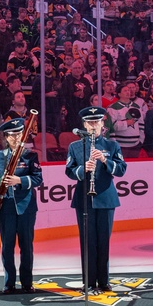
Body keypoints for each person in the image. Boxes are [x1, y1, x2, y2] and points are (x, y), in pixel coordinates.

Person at [64, 106, 127, 295]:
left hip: (106, 199)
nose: (93, 126)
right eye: (89, 122)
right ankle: (89, 281)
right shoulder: (75, 147)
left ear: (102, 124)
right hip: (84, 200)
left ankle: (104, 281)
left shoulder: (111, 146)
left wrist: (106, 161)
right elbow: (69, 171)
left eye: (96, 122)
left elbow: (122, 170)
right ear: (84, 124)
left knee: (103, 241)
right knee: (87, 241)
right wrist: (83, 169)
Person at [0, 117, 43, 294]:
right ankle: (9, 283)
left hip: (26, 207)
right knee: (7, 246)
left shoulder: (31, 155)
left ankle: (27, 282)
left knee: (27, 246)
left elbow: (38, 178)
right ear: (6, 138)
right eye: (12, 135)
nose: (16, 138)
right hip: (6, 207)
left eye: (18, 134)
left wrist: (19, 180)